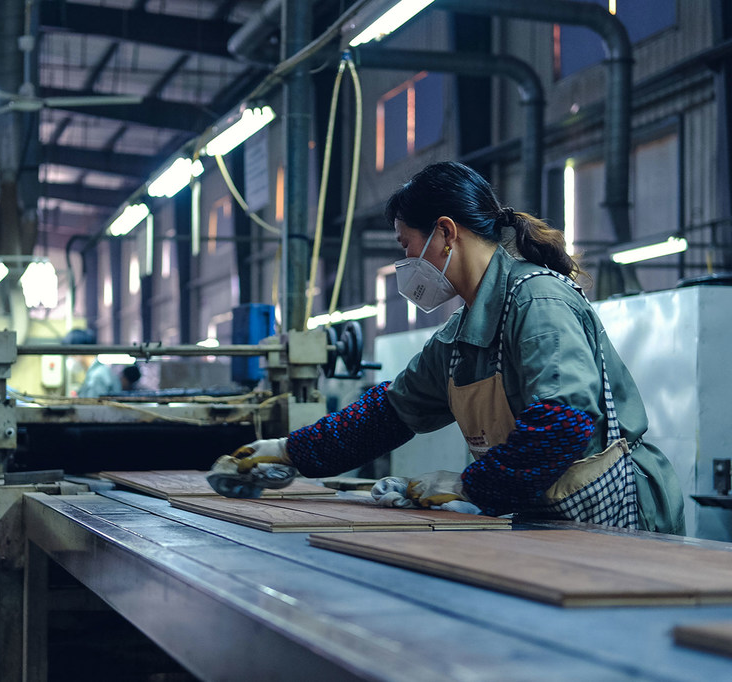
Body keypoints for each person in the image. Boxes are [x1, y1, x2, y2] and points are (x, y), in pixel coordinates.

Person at [222, 161, 685, 534]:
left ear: (445, 232)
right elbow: (389, 414)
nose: (405, 264)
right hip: (548, 518)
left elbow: (563, 421)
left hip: (622, 518)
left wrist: (469, 485)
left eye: (407, 246)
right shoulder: (460, 337)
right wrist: (289, 451)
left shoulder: (537, 301)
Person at [65, 329, 121, 398]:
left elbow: (94, 407)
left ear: (79, 351)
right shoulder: (96, 373)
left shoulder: (97, 377)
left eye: (70, 355)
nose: (70, 358)